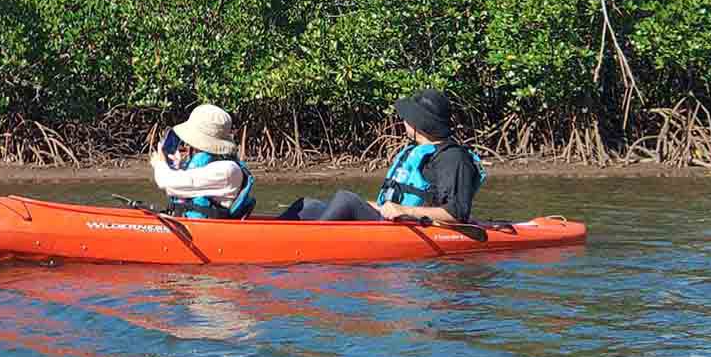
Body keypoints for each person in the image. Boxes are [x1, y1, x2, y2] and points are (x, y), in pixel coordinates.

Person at [278, 88, 485, 222]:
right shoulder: (416, 151)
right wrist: (378, 206)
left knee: (346, 200)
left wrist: (406, 211)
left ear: (420, 123)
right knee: (309, 206)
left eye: (407, 117)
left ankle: (309, 245)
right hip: (395, 223)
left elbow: (456, 213)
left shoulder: (453, 158)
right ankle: (262, 236)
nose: (403, 120)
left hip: (413, 228)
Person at [148, 104, 255, 219]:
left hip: (210, 231)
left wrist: (160, 162)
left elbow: (167, 183)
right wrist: (178, 167)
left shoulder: (227, 170)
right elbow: (178, 189)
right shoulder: (213, 163)